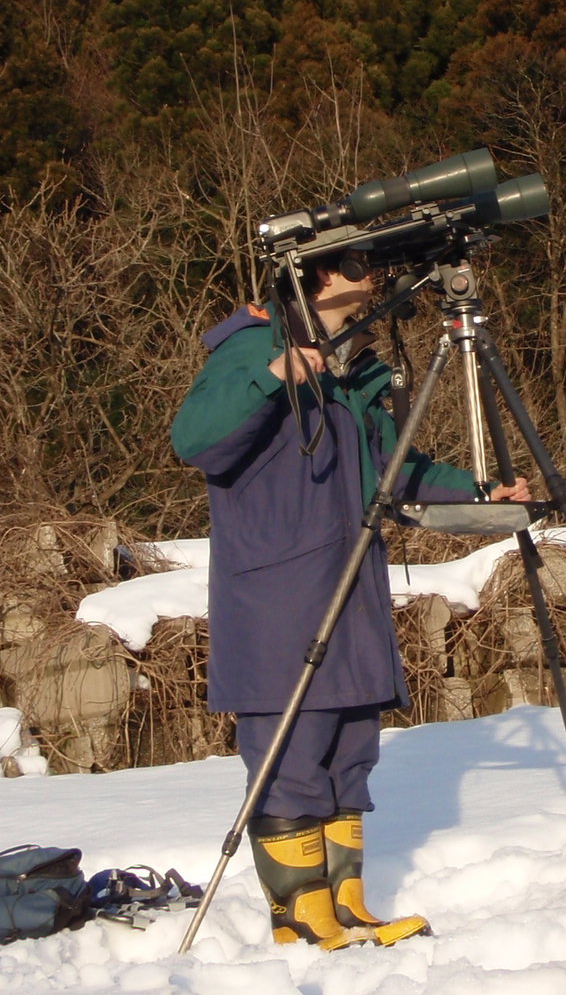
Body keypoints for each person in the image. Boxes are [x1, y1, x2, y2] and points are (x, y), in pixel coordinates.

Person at [171, 256, 526, 950]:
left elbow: (399, 473)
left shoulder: (352, 373)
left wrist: (480, 493)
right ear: (319, 281)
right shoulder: (248, 352)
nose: (373, 275)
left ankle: (346, 908)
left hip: (353, 586)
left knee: (350, 753)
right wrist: (275, 377)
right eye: (356, 266)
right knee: (291, 753)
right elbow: (196, 439)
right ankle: (300, 917)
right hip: (278, 595)